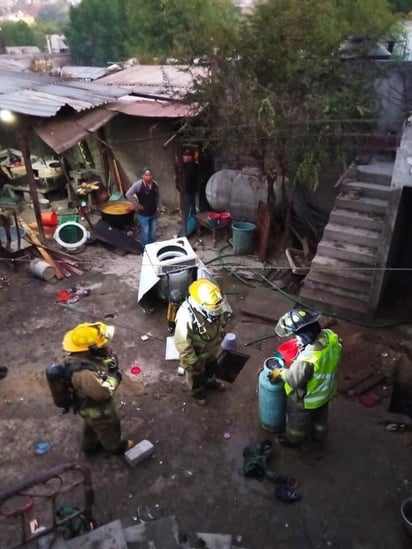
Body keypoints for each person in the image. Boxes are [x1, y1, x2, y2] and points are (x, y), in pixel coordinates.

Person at [269, 308, 342, 447]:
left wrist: (280, 372)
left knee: (297, 421)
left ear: (304, 336)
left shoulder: (308, 358)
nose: (295, 339)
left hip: (308, 398)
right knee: (321, 418)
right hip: (326, 391)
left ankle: (293, 440)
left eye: (296, 336)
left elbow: (294, 379)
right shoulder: (330, 336)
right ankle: (319, 436)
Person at [61, 322, 133, 455]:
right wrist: (115, 377)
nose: (106, 346)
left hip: (85, 406)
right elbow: (102, 393)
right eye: (103, 345)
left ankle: (89, 447)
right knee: (108, 427)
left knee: (92, 425)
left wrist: (105, 360)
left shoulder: (76, 355)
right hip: (96, 408)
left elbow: (93, 363)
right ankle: (116, 447)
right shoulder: (84, 374)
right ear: (92, 349)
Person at [173, 279, 227, 406]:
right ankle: (197, 393)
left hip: (210, 350)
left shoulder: (215, 304)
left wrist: (221, 330)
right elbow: (182, 343)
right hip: (195, 355)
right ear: (200, 305)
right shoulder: (185, 316)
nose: (217, 313)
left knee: (211, 367)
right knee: (195, 376)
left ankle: (209, 381)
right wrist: (192, 361)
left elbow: (220, 321)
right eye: (214, 311)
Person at [125, 167, 161, 247]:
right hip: (143, 215)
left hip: (153, 213)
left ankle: (151, 247)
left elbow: (158, 196)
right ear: (142, 176)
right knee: (145, 232)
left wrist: (159, 207)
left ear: (152, 176)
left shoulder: (155, 184)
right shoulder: (138, 185)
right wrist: (137, 204)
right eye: (146, 175)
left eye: (150, 175)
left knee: (153, 232)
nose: (148, 177)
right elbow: (128, 194)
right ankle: (144, 248)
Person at [181, 150, 198, 217]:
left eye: (187, 156)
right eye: (185, 155)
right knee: (191, 205)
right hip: (188, 189)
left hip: (189, 189)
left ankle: (188, 222)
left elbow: (187, 177)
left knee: (188, 206)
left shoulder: (192, 166)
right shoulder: (187, 165)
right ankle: (191, 220)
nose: (185, 157)